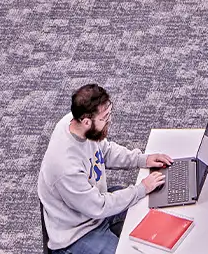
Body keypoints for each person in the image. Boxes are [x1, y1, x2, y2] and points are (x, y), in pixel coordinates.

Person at [36, 82, 173, 254]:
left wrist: (142, 160)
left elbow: (105, 151)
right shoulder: (65, 167)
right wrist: (141, 188)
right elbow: (99, 206)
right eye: (105, 117)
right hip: (79, 232)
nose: (110, 121)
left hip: (95, 208)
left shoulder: (79, 125)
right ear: (86, 121)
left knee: (151, 213)